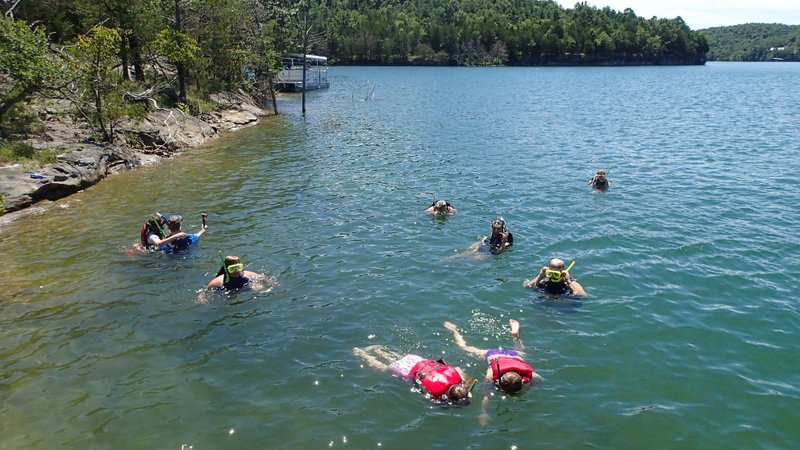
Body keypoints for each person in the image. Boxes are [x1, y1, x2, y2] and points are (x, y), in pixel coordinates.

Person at [444, 319, 543, 425]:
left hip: (503, 355)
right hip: (506, 355)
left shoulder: (491, 374)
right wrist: (532, 385)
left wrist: (484, 412)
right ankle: (515, 336)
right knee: (464, 348)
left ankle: (455, 330)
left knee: (464, 347)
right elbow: (541, 380)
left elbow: (486, 396)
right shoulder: (528, 374)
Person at [352, 345, 471, 405]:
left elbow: (458, 369)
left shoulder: (456, 375)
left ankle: (377, 349)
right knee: (385, 368)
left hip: (418, 361)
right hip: (408, 370)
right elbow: (424, 394)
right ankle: (362, 354)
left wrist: (465, 382)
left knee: (397, 358)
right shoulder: (437, 392)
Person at [523, 258, 587, 297]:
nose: (553, 277)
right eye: (550, 273)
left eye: (556, 274)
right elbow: (526, 286)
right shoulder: (544, 279)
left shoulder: (569, 282)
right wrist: (540, 276)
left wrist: (568, 282)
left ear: (562, 272)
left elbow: (582, 295)